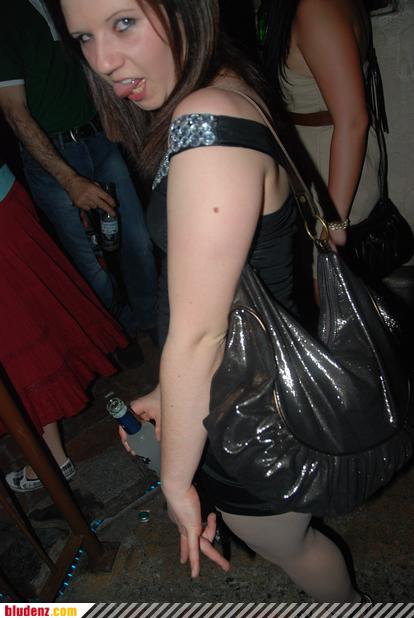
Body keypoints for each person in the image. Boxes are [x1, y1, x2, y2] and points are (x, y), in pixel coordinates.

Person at [59, 0, 371, 602]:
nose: (103, 60)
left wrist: (176, 482)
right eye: (83, 38)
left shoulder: (208, 118)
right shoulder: (221, 86)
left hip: (251, 406)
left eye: (123, 23)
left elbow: (202, 335)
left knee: (290, 545)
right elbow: (210, 288)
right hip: (242, 383)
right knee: (288, 541)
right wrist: (169, 390)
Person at [0, 0, 158, 341]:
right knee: (91, 263)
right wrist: (69, 179)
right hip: (53, 157)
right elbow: (14, 112)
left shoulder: (67, 5)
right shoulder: (6, 16)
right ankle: (119, 333)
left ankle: (151, 323)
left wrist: (116, 121)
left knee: (139, 241)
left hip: (99, 138)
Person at [0, 154, 127, 492]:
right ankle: (52, 455)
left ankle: (52, 460)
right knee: (32, 320)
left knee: (18, 338)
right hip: (6, 200)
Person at [262, 0, 380, 276]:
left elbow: (353, 122)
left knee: (329, 290)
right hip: (322, 163)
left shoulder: (317, 7)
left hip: (329, 169)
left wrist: (334, 224)